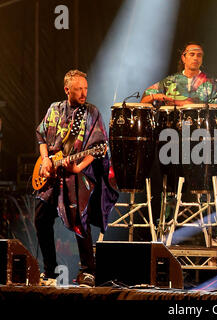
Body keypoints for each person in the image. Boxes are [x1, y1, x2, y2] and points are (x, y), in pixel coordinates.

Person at [35, 69, 119, 287]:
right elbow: (41, 135)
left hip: (77, 175)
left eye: (85, 89)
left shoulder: (91, 112)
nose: (83, 93)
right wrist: (45, 160)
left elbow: (98, 147)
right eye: (78, 89)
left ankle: (88, 270)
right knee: (41, 219)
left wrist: (78, 166)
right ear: (67, 90)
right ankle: (50, 272)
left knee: (79, 219)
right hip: (52, 173)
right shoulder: (54, 109)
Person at [140, 41, 217, 114]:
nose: (195, 58)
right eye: (192, 54)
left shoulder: (212, 83)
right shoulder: (169, 82)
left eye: (199, 55)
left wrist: (187, 105)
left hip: (201, 131)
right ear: (183, 58)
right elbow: (144, 101)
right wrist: (156, 97)